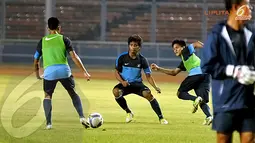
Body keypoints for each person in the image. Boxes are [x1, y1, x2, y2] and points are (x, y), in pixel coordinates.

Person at [201, 0, 255, 142]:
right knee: (224, 139)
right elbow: (207, 65)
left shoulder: (252, 34)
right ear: (236, 7)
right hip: (225, 100)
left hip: (247, 98)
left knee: (249, 138)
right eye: (247, 4)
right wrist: (234, 71)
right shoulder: (217, 34)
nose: (250, 8)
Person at [33, 17, 91, 129]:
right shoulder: (64, 39)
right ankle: (82, 117)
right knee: (72, 93)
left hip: (49, 72)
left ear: (48, 28)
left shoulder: (42, 41)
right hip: (64, 70)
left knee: (47, 96)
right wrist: (85, 72)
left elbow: (36, 59)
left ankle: (49, 124)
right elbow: (74, 57)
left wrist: (37, 74)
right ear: (59, 27)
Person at [151, 39, 213, 125]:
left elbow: (196, 44)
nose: (175, 50)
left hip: (196, 74)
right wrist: (158, 69)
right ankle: (209, 116)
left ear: (183, 47)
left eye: (177, 47)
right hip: (206, 75)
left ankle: (195, 99)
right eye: (173, 49)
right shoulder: (185, 60)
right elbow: (174, 72)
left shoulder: (185, 51)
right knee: (202, 100)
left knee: (180, 93)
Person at [112, 34, 168, 124]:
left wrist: (155, 87)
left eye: (136, 45)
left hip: (137, 85)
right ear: (128, 46)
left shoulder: (142, 60)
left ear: (139, 47)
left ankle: (161, 118)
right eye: (131, 45)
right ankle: (128, 112)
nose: (133, 47)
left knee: (148, 94)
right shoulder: (122, 58)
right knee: (115, 92)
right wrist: (122, 82)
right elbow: (116, 72)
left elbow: (148, 76)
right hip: (126, 84)